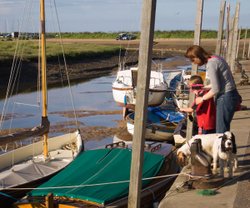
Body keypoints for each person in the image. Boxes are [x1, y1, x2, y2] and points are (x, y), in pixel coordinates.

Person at [185, 45, 240, 133]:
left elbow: (216, 89)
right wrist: (205, 87)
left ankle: (224, 146)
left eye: (193, 60)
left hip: (225, 97)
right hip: (231, 93)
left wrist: (202, 99)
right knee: (223, 129)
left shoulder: (211, 64)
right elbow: (222, 81)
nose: (193, 63)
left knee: (220, 132)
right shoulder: (216, 58)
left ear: (197, 56)